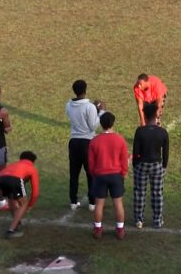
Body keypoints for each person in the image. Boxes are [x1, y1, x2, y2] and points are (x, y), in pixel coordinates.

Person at [65, 79, 105, 211]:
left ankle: (73, 201)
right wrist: (101, 112)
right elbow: (93, 126)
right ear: (85, 90)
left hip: (74, 141)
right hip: (87, 142)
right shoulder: (90, 107)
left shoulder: (69, 105)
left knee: (74, 173)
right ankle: (92, 202)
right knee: (90, 172)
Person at [88, 112, 129, 240]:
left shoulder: (95, 141)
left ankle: (98, 229)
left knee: (99, 203)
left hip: (100, 175)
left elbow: (91, 162)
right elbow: (124, 160)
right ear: (113, 123)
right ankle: (120, 230)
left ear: (101, 124)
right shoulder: (120, 139)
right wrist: (123, 173)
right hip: (116, 175)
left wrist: (95, 173)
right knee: (118, 203)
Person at [132, 103, 169, 229]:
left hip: (142, 164)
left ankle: (138, 220)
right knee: (157, 193)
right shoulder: (162, 132)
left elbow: (136, 152)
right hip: (157, 165)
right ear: (156, 115)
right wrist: (163, 166)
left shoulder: (140, 131)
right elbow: (166, 152)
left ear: (145, 116)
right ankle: (157, 220)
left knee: (139, 192)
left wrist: (135, 164)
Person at [0, 151, 40, 238]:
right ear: (32, 161)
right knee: (23, 204)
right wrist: (29, 206)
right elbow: (35, 192)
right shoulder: (31, 168)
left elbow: (4, 174)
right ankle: (11, 230)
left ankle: (16, 222)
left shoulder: (14, 165)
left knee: (11, 199)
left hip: (0, 178)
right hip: (15, 179)